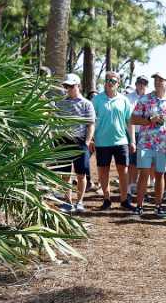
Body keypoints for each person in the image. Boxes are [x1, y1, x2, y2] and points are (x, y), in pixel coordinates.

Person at [130, 73, 166, 217]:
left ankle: (158, 207)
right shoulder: (145, 99)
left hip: (163, 145)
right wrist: (149, 120)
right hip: (145, 143)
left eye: (161, 80)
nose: (157, 82)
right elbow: (133, 119)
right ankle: (139, 206)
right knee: (144, 174)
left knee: (160, 175)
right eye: (156, 80)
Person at [90, 71, 135, 210]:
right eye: (108, 80)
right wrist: (91, 139)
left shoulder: (124, 100)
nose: (110, 83)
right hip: (102, 142)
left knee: (124, 171)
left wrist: (132, 140)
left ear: (118, 83)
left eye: (113, 81)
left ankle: (124, 200)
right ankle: (106, 199)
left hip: (121, 141)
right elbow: (90, 121)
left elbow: (130, 121)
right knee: (103, 171)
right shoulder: (97, 100)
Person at [56, 74, 96, 213]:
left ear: (78, 85)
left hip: (80, 142)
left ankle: (79, 202)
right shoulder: (60, 103)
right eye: (66, 86)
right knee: (65, 174)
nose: (68, 89)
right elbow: (56, 121)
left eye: (71, 86)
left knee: (81, 174)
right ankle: (68, 202)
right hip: (64, 141)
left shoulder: (86, 104)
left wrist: (86, 141)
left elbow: (91, 124)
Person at [126, 75, 150, 197]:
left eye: (144, 83)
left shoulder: (150, 98)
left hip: (147, 134)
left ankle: (141, 188)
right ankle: (131, 186)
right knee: (132, 161)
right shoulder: (128, 98)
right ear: (135, 84)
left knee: (144, 162)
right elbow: (129, 117)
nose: (142, 85)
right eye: (140, 82)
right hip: (132, 132)